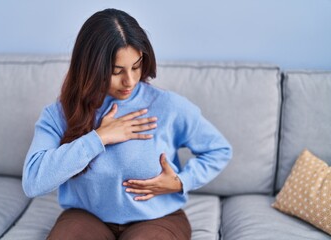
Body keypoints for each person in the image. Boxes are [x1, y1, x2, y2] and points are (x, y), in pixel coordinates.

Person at [22, 8, 232, 240]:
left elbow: (219, 150)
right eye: (116, 71)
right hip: (87, 217)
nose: (130, 80)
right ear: (91, 68)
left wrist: (181, 181)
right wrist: (99, 138)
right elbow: (33, 183)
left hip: (157, 219)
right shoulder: (60, 113)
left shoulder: (168, 106)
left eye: (136, 66)